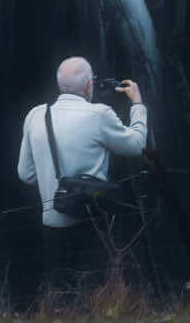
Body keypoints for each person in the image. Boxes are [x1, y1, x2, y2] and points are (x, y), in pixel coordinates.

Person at [17, 56, 147, 302]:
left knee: (60, 294)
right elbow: (136, 144)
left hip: (52, 222)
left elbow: (25, 173)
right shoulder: (98, 115)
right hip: (92, 221)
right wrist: (138, 103)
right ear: (89, 85)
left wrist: (53, 184)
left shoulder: (36, 115)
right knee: (95, 294)